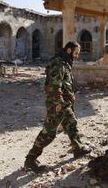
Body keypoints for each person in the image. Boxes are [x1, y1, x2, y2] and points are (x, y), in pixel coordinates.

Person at [24, 41, 91, 172]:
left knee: (71, 123)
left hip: (65, 103)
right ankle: (30, 159)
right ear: (69, 50)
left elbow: (66, 82)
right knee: (49, 132)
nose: (77, 56)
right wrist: (58, 103)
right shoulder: (58, 62)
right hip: (58, 104)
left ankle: (78, 148)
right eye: (76, 53)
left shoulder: (65, 62)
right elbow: (55, 84)